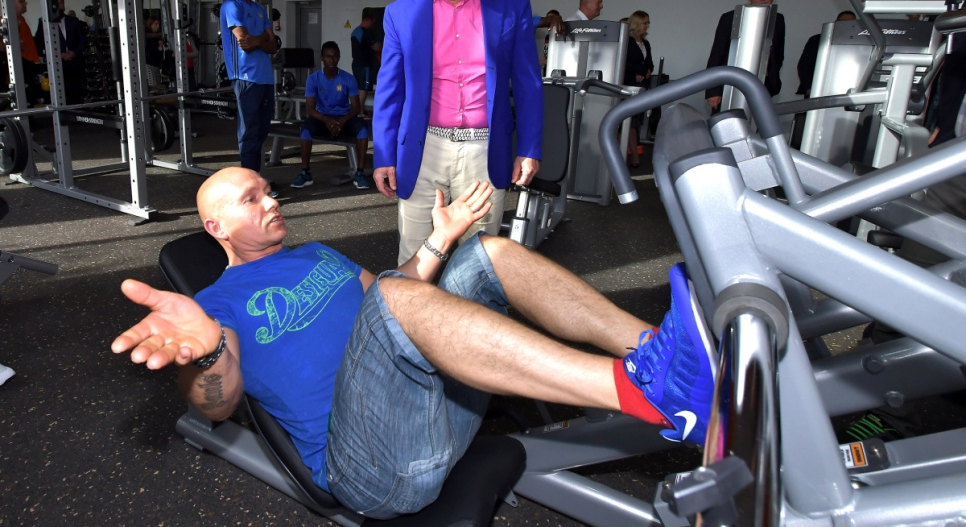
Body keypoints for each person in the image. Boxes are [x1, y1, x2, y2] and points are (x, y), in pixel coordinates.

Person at [112, 166, 717, 520]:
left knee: (489, 253)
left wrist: (441, 240)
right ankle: (644, 393)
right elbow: (217, 405)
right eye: (252, 199)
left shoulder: (315, 253)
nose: (272, 201)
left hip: (435, 408)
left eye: (269, 190)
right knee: (393, 300)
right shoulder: (214, 305)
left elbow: (398, 294)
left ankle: (668, 354)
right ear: (215, 226)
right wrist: (208, 351)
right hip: (373, 468)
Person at [372, 0, 543, 264]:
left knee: (478, 262)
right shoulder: (400, 13)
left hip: (485, 149)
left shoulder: (512, 3)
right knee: (415, 257)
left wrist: (529, 147)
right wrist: (384, 154)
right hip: (423, 149)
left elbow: (528, 82)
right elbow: (389, 92)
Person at [221, 0, 279, 175]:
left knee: (262, 131)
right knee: (249, 134)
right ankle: (250, 184)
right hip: (246, 77)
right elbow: (245, 42)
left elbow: (273, 46)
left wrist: (258, 41)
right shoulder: (231, 5)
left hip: (265, 78)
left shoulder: (259, 9)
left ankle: (256, 180)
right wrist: (261, 38)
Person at [291, 41, 370, 190]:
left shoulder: (348, 78)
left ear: (339, 57)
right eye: (328, 56)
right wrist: (327, 120)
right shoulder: (313, 79)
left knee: (363, 129)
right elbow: (310, 109)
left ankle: (359, 173)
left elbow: (356, 107)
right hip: (322, 118)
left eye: (334, 56)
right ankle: (305, 173)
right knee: (305, 130)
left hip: (344, 118)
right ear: (322, 58)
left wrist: (342, 121)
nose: (332, 60)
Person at [705, 0, 785, 113]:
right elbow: (717, 54)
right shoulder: (730, 18)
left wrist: (773, 84)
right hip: (729, 86)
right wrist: (713, 90)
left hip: (764, 86)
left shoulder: (778, 19)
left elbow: (778, 54)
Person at [34, 0, 87, 104]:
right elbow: (40, 43)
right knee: (61, 94)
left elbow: (82, 40)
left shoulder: (73, 21)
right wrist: (58, 54)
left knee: (77, 93)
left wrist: (74, 53)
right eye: (56, 4)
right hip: (57, 65)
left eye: (60, 3)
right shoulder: (44, 22)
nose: (59, 6)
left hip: (75, 63)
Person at [796, 10, 856, 98]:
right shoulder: (818, 40)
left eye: (851, 23)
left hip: (847, 91)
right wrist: (809, 88)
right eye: (844, 22)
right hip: (818, 90)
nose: (847, 25)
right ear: (836, 23)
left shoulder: (860, 44)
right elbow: (805, 65)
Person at [623, 11, 654, 168]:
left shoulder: (645, 43)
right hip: (628, 86)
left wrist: (647, 72)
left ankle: (629, 153)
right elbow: (624, 62)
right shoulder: (627, 42)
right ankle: (633, 155)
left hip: (641, 87)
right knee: (630, 121)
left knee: (636, 121)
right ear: (636, 23)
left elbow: (650, 64)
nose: (647, 26)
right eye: (644, 22)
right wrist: (640, 72)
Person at [13, 0, 43, 103]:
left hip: (28, 61)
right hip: (20, 61)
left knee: (31, 92)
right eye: (21, 1)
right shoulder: (8, 20)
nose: (25, 3)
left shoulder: (21, 19)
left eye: (24, 1)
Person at [350, 8, 381, 105]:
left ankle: (358, 109)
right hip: (364, 65)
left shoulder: (355, 31)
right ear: (367, 20)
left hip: (356, 64)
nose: (372, 26)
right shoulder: (365, 33)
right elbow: (377, 47)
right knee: (364, 88)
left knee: (360, 87)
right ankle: (360, 110)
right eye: (372, 23)